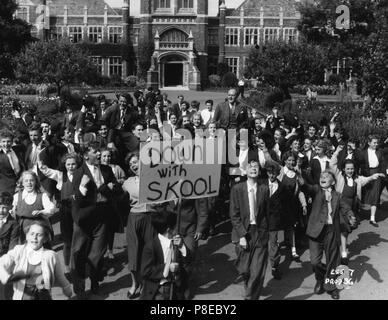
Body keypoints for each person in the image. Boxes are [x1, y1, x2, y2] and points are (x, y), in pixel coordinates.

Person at [70, 143, 120, 299]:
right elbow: (76, 199)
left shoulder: (106, 169)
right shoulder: (79, 173)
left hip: (101, 218)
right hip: (83, 219)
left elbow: (116, 189)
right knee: (78, 253)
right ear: (86, 155)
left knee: (97, 254)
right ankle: (79, 287)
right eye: (95, 152)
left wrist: (104, 187)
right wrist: (83, 187)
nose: (99, 154)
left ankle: (94, 283)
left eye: (99, 152)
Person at [300, 171, 356, 300]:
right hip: (315, 231)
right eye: (321, 176)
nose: (323, 178)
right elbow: (305, 186)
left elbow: (346, 208)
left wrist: (351, 216)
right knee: (315, 262)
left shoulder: (338, 195)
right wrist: (299, 175)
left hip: (331, 231)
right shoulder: (316, 191)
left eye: (326, 177)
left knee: (332, 260)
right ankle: (320, 279)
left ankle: (331, 287)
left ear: (333, 182)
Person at [330, 147, 384, 264]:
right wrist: (337, 151)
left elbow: (365, 180)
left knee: (346, 230)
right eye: (348, 169)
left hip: (352, 208)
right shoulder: (339, 176)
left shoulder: (357, 179)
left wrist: (373, 177)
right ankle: (343, 254)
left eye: (352, 169)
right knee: (342, 230)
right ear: (344, 169)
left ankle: (340, 248)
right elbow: (332, 164)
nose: (350, 170)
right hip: (339, 207)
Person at [0, 221, 72, 300]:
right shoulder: (19, 251)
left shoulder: (51, 255)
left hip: (44, 294)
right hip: (24, 294)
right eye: (32, 234)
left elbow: (59, 275)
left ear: (45, 239)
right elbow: (4, 260)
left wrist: (66, 287)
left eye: (39, 235)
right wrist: (4, 275)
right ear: (27, 236)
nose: (35, 237)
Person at [230, 160, 270, 300]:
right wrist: (241, 235)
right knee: (245, 270)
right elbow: (234, 215)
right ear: (245, 171)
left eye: (256, 167)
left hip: (260, 232)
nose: (254, 169)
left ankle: (250, 297)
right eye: (250, 167)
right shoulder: (237, 189)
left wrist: (268, 232)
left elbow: (267, 212)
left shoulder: (264, 189)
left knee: (257, 270)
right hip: (243, 233)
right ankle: (250, 287)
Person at [38, 153, 82, 274]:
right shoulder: (61, 175)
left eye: (73, 164)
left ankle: (79, 264)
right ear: (65, 165)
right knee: (67, 240)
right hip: (65, 211)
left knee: (79, 238)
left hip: (79, 210)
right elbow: (47, 171)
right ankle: (67, 265)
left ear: (77, 164)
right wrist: (40, 161)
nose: (71, 166)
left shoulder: (82, 176)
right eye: (68, 164)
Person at [141, 210, 188, 300]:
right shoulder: (151, 246)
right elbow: (145, 271)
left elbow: (188, 261)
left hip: (176, 287)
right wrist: (167, 268)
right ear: (169, 230)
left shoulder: (177, 242)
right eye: (176, 227)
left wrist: (182, 247)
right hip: (159, 289)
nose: (179, 229)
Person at [12, 171, 55, 243]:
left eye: (32, 180)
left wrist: (41, 212)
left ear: (36, 182)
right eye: (26, 181)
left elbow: (51, 208)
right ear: (22, 183)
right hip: (23, 227)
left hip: (39, 226)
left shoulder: (42, 196)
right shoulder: (17, 196)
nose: (29, 183)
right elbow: (13, 210)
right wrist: (12, 211)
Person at [100, 148, 125, 260]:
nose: (107, 158)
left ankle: (110, 250)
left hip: (112, 200)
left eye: (108, 156)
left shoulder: (115, 168)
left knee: (110, 228)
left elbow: (120, 180)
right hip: (100, 201)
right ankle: (102, 250)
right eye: (104, 156)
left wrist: (116, 183)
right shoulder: (97, 169)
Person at [358, 135, 386, 227]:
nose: (376, 144)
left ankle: (372, 218)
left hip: (376, 174)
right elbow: (359, 164)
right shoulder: (362, 152)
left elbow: (382, 163)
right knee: (361, 194)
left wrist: (382, 173)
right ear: (369, 143)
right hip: (366, 174)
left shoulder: (380, 152)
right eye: (374, 142)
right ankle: (357, 214)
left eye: (377, 142)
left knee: (375, 195)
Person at [264, 161, 285, 280]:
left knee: (273, 243)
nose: (271, 175)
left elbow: (284, 204)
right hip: (262, 219)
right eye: (269, 173)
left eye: (274, 173)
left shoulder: (281, 187)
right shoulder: (261, 184)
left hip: (274, 220)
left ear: (277, 174)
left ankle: (274, 266)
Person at [0, 129, 24, 194]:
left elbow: (23, 166)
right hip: (5, 189)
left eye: (8, 141)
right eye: (3, 141)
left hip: (20, 187)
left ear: (12, 141)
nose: (6, 144)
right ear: (0, 142)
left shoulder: (17, 150)